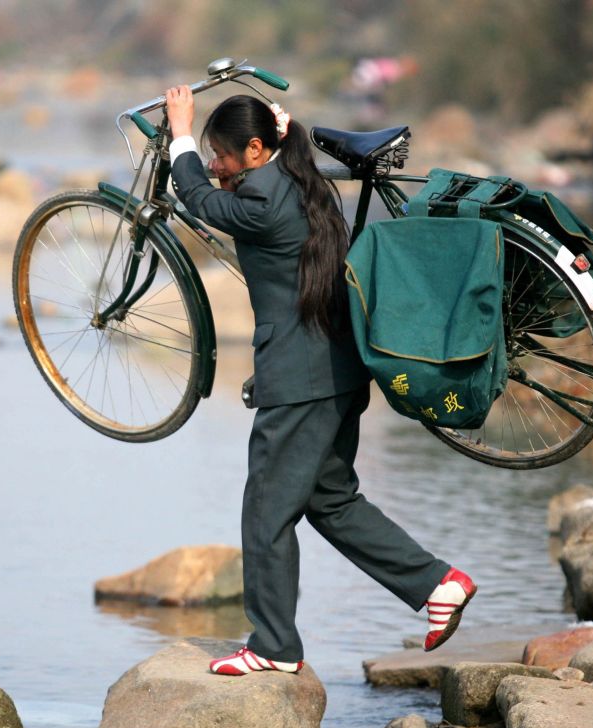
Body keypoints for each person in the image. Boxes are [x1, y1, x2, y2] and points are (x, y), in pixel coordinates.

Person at [164, 85, 477, 676]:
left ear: (256, 150)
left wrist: (180, 132)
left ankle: (273, 646)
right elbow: (224, 187)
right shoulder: (299, 179)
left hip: (301, 380)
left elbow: (199, 199)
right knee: (330, 501)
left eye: (222, 155)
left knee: (266, 512)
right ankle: (438, 585)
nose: (215, 164)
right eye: (211, 154)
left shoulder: (261, 201)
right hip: (337, 370)